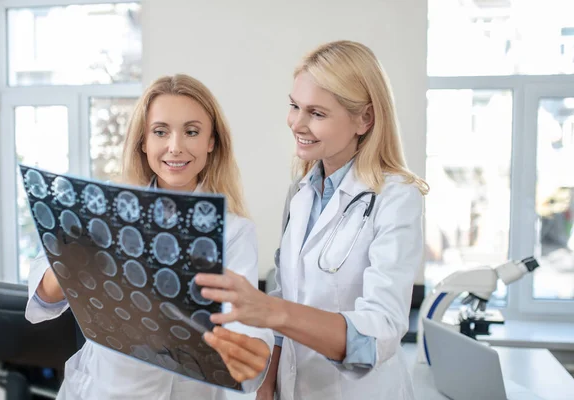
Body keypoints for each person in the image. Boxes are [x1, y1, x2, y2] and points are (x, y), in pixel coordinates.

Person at [195, 40, 428, 400]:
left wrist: (274, 312)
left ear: (364, 118)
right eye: (294, 106)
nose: (297, 124)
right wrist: (267, 388)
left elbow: (378, 334)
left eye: (317, 114)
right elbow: (285, 293)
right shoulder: (302, 192)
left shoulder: (396, 197)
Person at [25, 74, 273, 400]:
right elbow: (43, 297)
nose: (175, 146)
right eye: (160, 132)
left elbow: (245, 325)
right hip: (101, 390)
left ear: (211, 142)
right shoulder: (103, 209)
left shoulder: (234, 232)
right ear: (144, 141)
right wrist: (73, 263)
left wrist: (251, 351)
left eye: (192, 132)